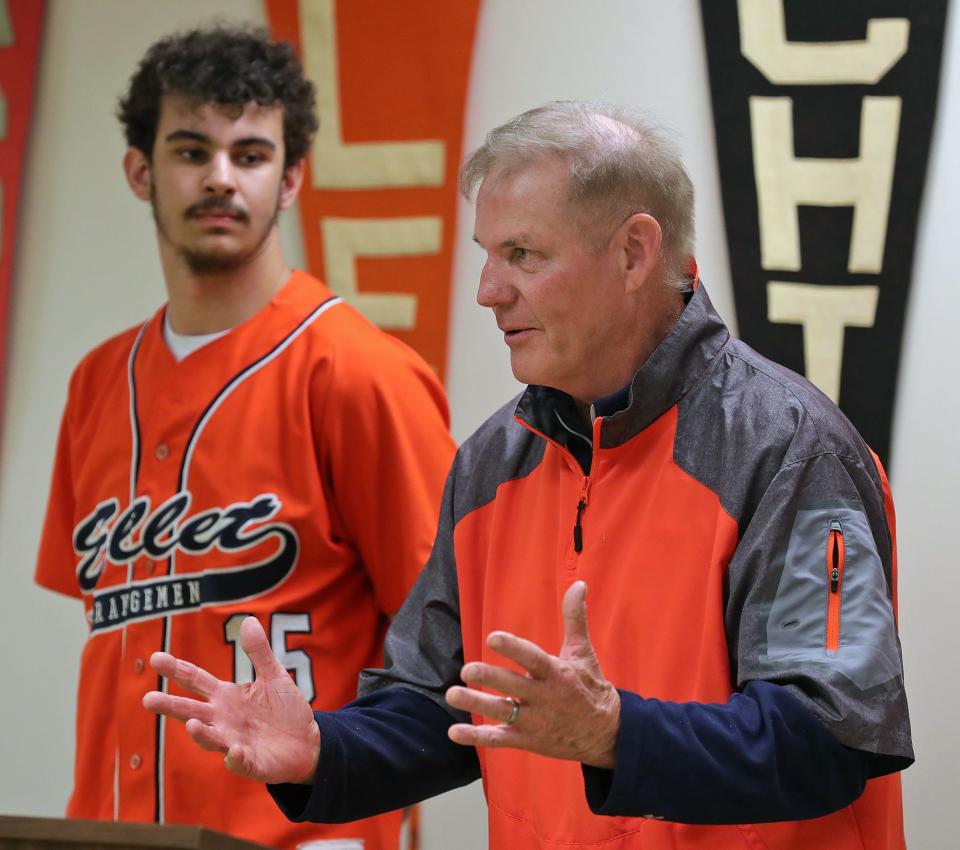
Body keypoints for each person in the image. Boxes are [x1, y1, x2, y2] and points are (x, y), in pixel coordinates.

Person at [143, 101, 913, 850]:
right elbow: (440, 705)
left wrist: (616, 735)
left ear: (634, 252)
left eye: (522, 255)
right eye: (485, 254)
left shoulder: (789, 447)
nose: (488, 290)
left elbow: (832, 735)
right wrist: (322, 748)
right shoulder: (489, 462)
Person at [35, 25, 455, 850]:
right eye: (192, 150)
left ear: (292, 177)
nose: (221, 178)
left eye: (251, 154)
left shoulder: (360, 373)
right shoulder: (95, 383)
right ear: (139, 170)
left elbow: (452, 649)